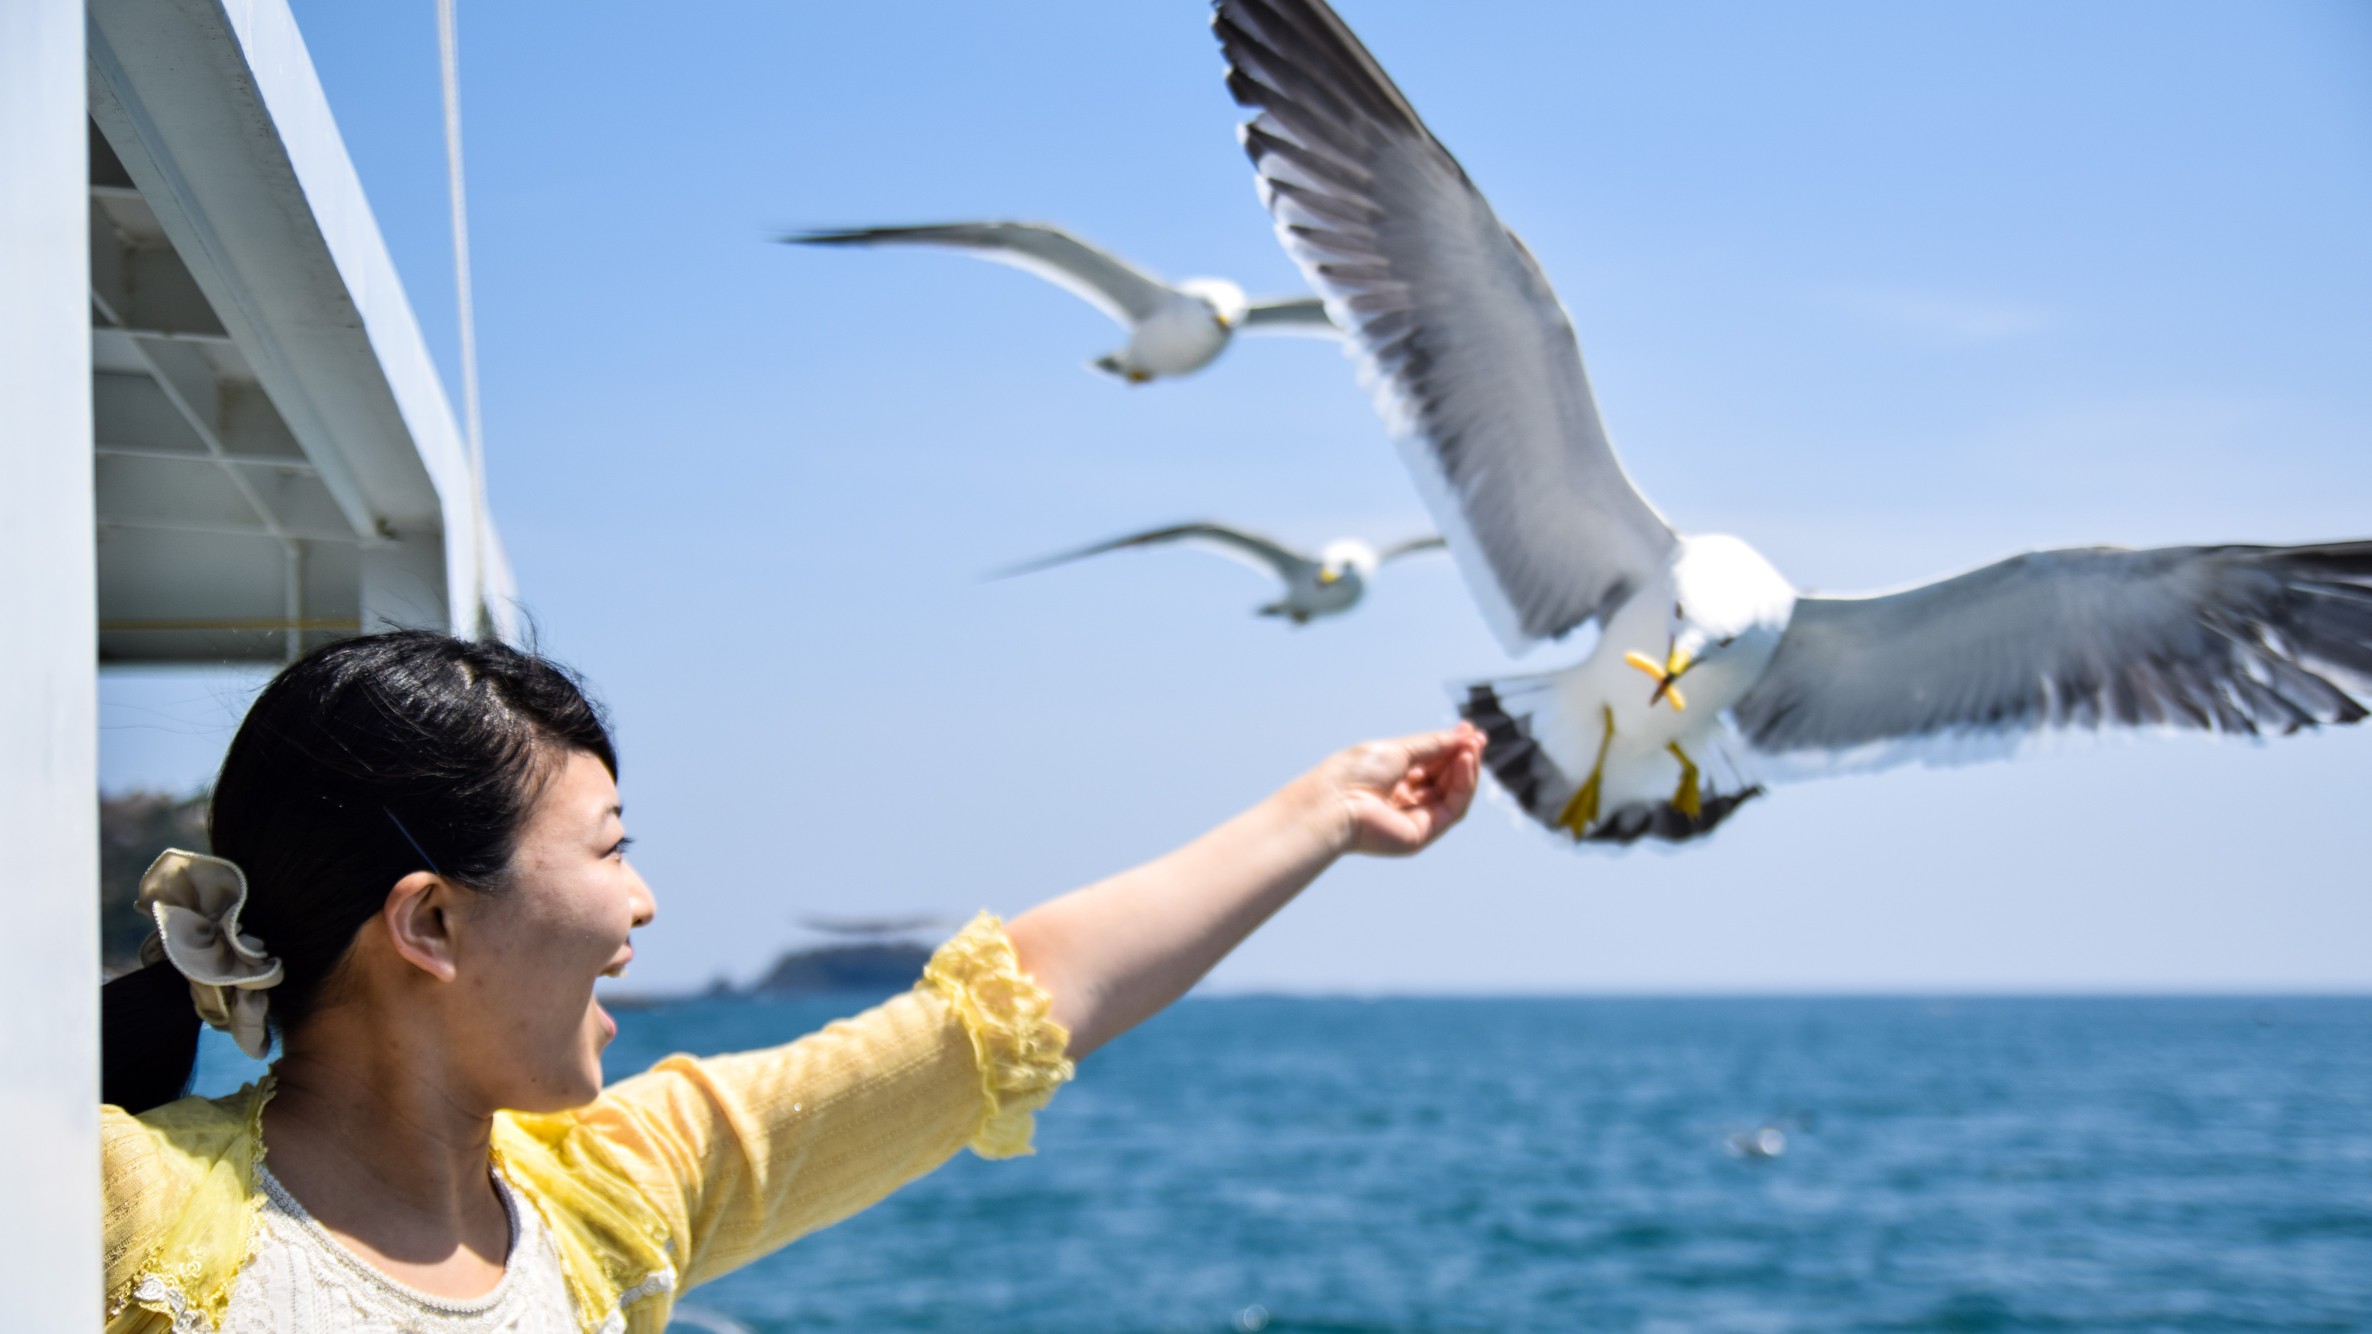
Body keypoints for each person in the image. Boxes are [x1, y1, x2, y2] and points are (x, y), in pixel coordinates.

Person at [100, 631, 1484, 1332]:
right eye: (611, 849)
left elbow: (984, 1026)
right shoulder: (124, 1207)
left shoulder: (609, 1197)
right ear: (434, 923)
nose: (643, 902)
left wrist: (1321, 811)